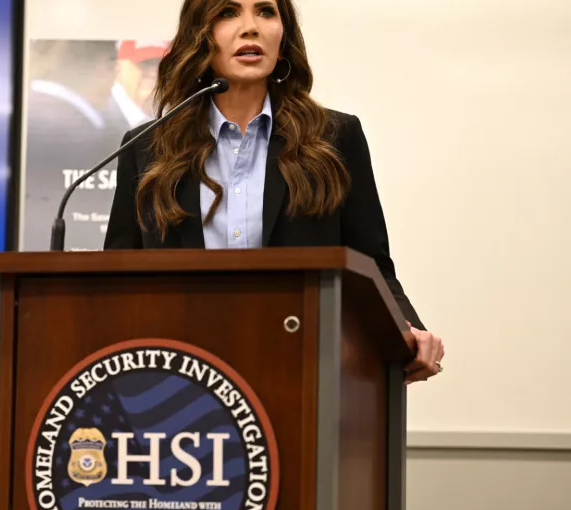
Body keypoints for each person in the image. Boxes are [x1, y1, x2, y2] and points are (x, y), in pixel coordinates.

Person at [103, 0, 445, 384]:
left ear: (283, 36)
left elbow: (372, 268)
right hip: (179, 385)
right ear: (200, 35)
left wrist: (408, 329)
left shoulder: (334, 138)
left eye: (266, 11)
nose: (250, 27)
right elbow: (119, 282)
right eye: (228, 12)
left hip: (299, 374)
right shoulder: (148, 148)